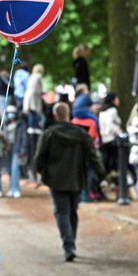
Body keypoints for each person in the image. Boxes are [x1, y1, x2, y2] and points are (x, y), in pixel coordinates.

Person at [35, 102, 106, 261]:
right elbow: (93, 156)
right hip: (77, 179)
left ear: (55, 115)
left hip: (56, 180)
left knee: (62, 212)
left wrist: (43, 173)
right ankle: (71, 242)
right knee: (72, 211)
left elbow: (39, 158)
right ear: (69, 115)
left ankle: (68, 245)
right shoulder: (81, 134)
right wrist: (102, 174)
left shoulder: (49, 134)